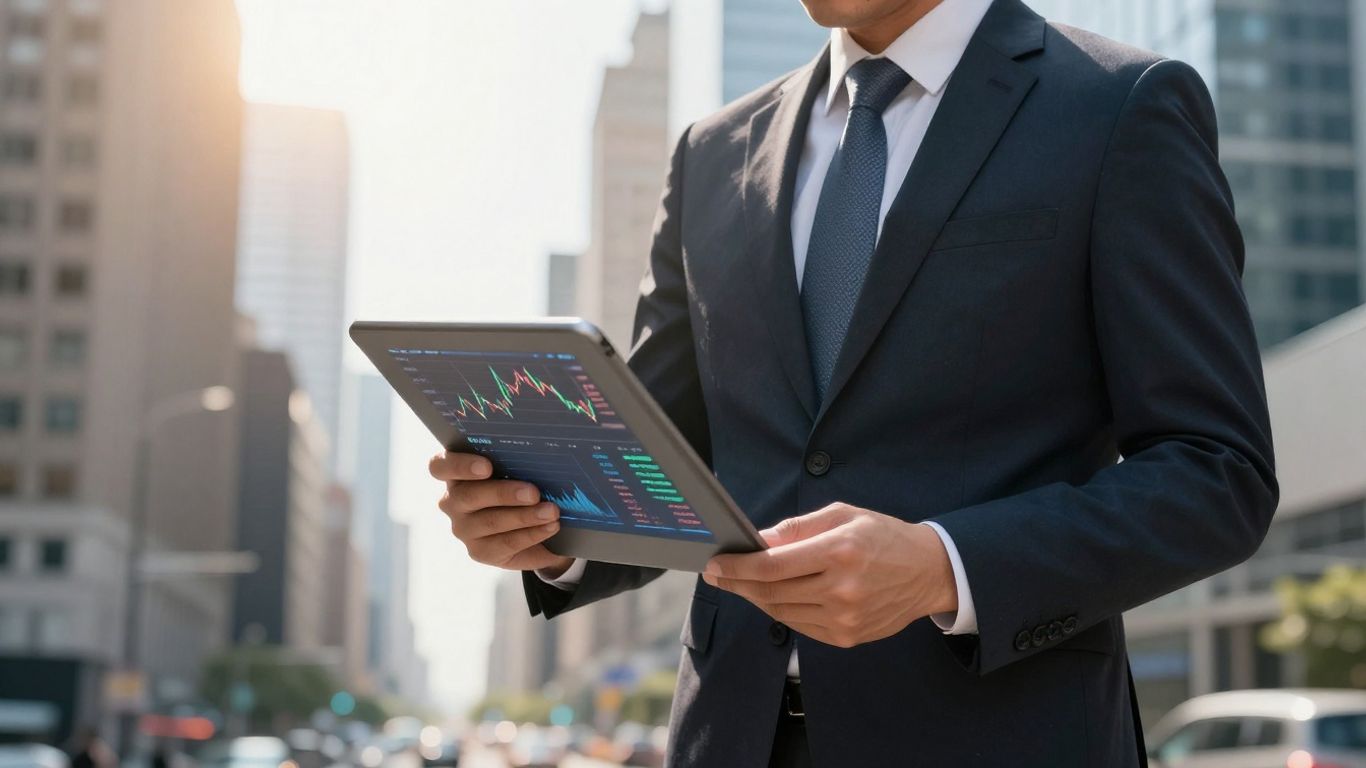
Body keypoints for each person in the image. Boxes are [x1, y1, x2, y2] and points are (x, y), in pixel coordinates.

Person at [428, 0, 1278, 764]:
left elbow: (1218, 471)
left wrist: (945, 568)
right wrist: (550, 528)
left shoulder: (1118, 105)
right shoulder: (712, 154)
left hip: (1000, 737)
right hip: (730, 738)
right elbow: (671, 460)